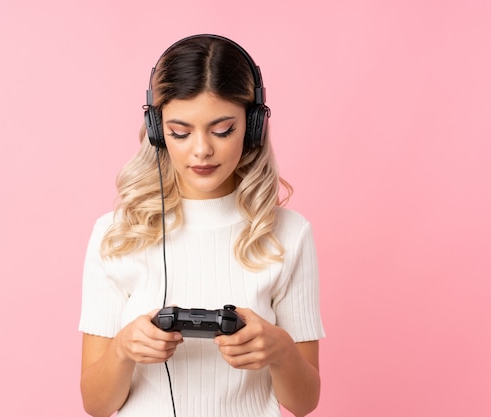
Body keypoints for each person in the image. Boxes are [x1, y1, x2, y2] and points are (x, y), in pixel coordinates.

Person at [78, 34, 325, 417]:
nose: (201, 150)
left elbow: (304, 402)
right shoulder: (115, 233)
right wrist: (124, 349)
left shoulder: (290, 234)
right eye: (180, 132)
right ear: (158, 132)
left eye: (222, 130)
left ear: (254, 125)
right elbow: (95, 404)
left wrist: (279, 349)